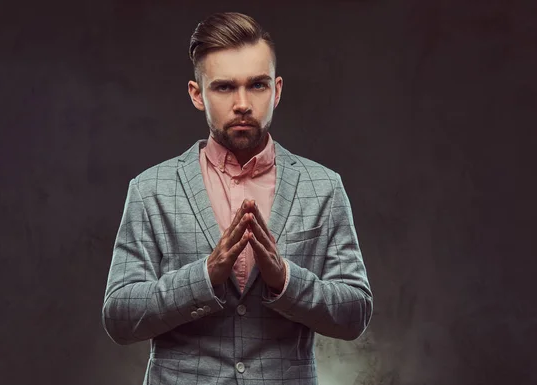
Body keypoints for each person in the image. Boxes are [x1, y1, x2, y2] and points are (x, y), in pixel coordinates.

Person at [101, 11, 373, 385]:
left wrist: (286, 279)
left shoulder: (324, 187)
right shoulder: (151, 189)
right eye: (224, 87)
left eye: (257, 86)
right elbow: (119, 316)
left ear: (277, 90)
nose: (243, 103)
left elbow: (355, 313)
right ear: (198, 94)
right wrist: (205, 276)